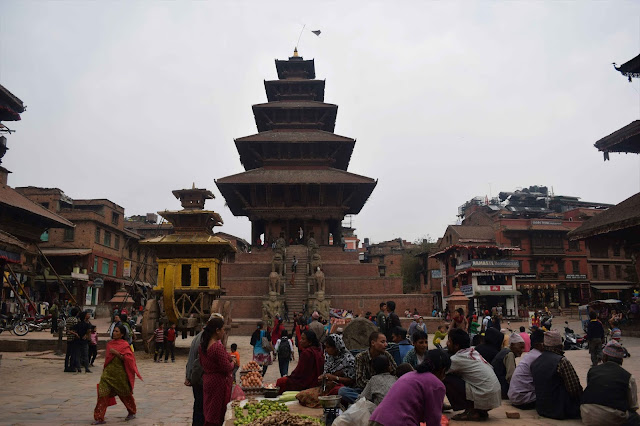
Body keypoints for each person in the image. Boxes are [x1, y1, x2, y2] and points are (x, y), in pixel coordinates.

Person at [369, 350, 450, 426]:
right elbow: (433, 421)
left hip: (376, 419)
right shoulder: (437, 385)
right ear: (443, 370)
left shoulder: (409, 375)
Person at [443, 328, 502, 421]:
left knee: (445, 377)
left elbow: (439, 371)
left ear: (456, 345)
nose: (447, 344)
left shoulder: (458, 358)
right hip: (493, 396)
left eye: (449, 342)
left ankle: (471, 411)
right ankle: (479, 411)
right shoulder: (472, 352)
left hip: (486, 395)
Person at [92, 324, 142, 424]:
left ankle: (132, 412)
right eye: (114, 331)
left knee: (125, 395)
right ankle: (99, 417)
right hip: (107, 374)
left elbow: (129, 359)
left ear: (122, 334)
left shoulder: (125, 345)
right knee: (102, 394)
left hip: (120, 376)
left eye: (117, 331)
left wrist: (117, 354)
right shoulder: (110, 344)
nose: (114, 333)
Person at [581, 340, 640, 425]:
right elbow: (633, 406)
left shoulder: (592, 370)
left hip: (586, 413)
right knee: (635, 417)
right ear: (621, 360)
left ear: (604, 357)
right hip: (610, 417)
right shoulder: (628, 377)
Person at [530, 330, 582, 420]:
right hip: (560, 409)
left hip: (542, 408)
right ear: (560, 345)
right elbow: (575, 389)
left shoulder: (535, 362)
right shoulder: (561, 361)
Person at [296, 334, 355, 408]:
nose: (326, 350)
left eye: (328, 347)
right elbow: (326, 373)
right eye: (325, 347)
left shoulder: (348, 360)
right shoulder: (329, 358)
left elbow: (351, 380)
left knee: (337, 394)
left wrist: (334, 378)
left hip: (342, 388)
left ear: (336, 348)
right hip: (326, 388)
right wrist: (323, 378)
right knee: (302, 395)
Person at [338, 331, 397, 406]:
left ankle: (364, 402)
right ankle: (371, 401)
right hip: (364, 390)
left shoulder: (387, 355)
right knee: (343, 391)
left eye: (386, 342)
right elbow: (359, 380)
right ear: (373, 343)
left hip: (382, 389)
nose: (386, 345)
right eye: (382, 342)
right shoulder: (361, 357)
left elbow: (395, 372)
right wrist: (373, 386)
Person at [199, 316, 235, 426]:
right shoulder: (216, 347)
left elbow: (202, 362)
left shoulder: (203, 346)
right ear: (217, 330)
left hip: (208, 380)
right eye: (223, 329)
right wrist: (233, 362)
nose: (224, 332)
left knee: (209, 410)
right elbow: (227, 367)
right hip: (218, 383)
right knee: (217, 413)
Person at [507, 329, 544, 409]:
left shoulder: (531, 355)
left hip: (514, 396)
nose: (523, 350)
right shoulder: (538, 357)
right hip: (522, 399)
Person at [492, 332, 525, 399]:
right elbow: (510, 376)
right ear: (512, 345)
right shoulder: (509, 354)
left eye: (523, 348)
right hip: (502, 389)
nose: (522, 350)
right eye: (520, 347)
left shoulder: (504, 351)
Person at [64, 307, 80, 372]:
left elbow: (67, 329)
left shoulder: (68, 319)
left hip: (68, 338)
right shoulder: (75, 320)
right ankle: (71, 367)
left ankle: (66, 366)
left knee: (68, 354)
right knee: (73, 353)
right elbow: (76, 329)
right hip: (73, 338)